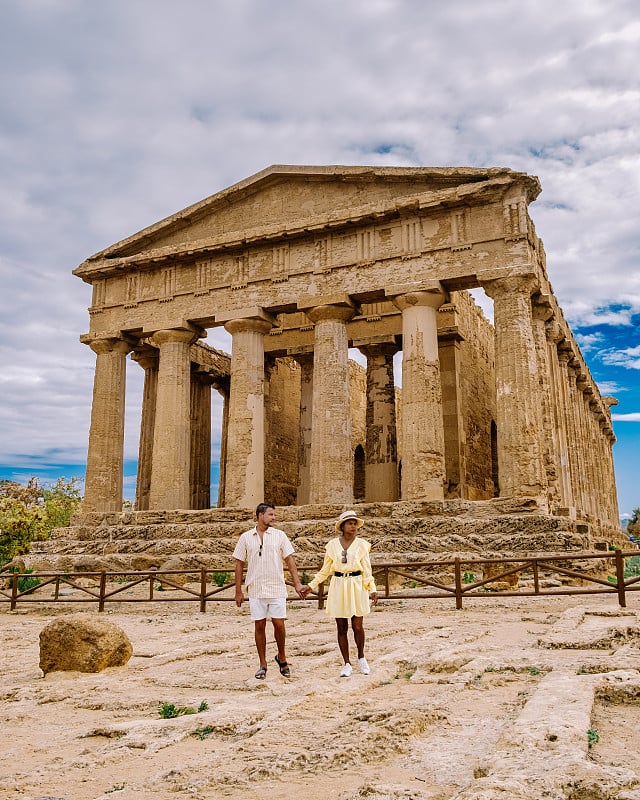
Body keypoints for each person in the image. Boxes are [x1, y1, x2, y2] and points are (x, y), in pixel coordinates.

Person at [302, 510, 378, 677]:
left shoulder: (362, 545)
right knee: (341, 626)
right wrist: (311, 585)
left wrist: (372, 588)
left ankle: (362, 657)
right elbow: (325, 570)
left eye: (354, 524)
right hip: (338, 586)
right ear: (342, 526)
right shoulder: (332, 546)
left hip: (356, 585)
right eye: (350, 523)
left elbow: (367, 569)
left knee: (357, 625)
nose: (353, 526)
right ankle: (346, 663)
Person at [233, 502, 304, 679]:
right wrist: (238, 591)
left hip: (276, 587)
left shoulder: (280, 535)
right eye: (271, 514)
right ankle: (262, 664)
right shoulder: (246, 537)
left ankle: (282, 656)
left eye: (274, 515)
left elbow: (290, 561)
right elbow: (239, 564)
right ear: (260, 515)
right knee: (259, 625)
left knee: (279, 624)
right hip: (256, 588)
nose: (274, 517)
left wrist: (297, 584)